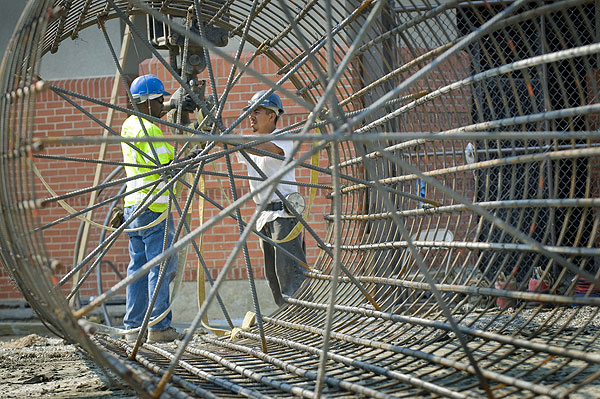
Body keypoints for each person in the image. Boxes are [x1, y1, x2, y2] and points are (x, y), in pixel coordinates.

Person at [120, 74, 193, 342]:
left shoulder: (128, 124)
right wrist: (190, 157)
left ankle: (133, 327)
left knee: (137, 268)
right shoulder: (150, 129)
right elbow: (166, 164)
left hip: (132, 206)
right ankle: (159, 327)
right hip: (154, 206)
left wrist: (172, 106)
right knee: (160, 267)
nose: (163, 104)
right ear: (149, 101)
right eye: (160, 99)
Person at [236, 90, 307, 306]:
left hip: (283, 216)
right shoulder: (249, 142)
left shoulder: (284, 138)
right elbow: (234, 146)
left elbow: (265, 149)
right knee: (273, 276)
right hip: (264, 216)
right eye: (249, 111)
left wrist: (230, 138)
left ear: (272, 115)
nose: (251, 116)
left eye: (256, 111)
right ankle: (286, 317)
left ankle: (303, 321)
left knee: (290, 274)